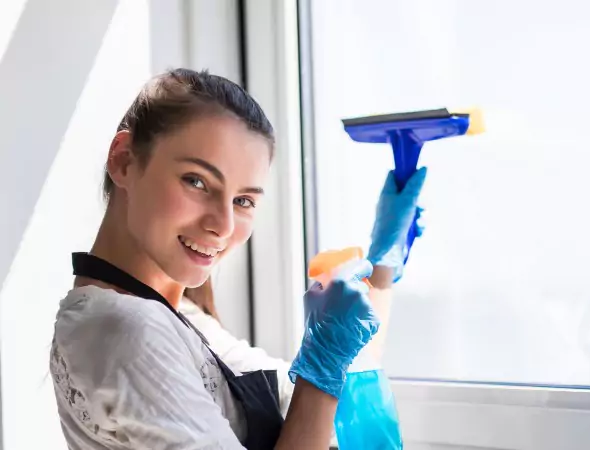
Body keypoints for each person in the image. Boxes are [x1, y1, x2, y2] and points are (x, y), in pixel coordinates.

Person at [49, 68, 426, 449]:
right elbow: (324, 382)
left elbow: (333, 399)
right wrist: (323, 359)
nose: (224, 225)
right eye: (196, 181)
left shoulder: (179, 318)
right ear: (124, 161)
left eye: (243, 200)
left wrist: (382, 265)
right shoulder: (129, 331)